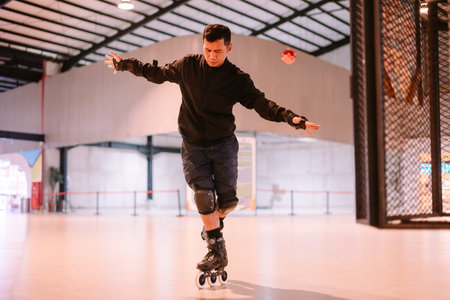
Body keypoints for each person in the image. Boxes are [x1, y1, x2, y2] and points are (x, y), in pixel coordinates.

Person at [105, 24, 320, 282]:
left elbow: (262, 104)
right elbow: (158, 73)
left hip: (223, 144)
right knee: (204, 196)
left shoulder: (237, 79)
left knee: (228, 203)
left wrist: (292, 118)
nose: (212, 56)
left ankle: (212, 225)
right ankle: (216, 249)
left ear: (229, 48)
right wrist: (126, 64)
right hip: (193, 143)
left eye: (218, 51)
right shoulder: (187, 66)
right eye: (207, 50)